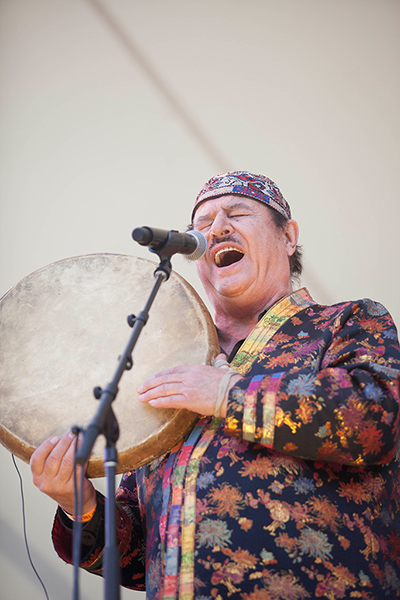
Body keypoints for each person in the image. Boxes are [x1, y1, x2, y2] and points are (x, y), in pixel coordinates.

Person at [31, 171, 400, 599]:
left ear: (288, 236)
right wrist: (81, 505)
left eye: (238, 213)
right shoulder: (171, 370)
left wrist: (226, 393)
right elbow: (140, 560)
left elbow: (374, 419)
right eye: (202, 225)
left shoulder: (347, 322)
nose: (218, 227)